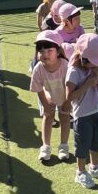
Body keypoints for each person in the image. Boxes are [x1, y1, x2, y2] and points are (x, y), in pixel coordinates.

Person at [65, 33, 98, 189]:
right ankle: (80, 172)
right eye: (95, 62)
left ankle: (94, 167)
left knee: (96, 143)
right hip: (82, 116)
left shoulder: (92, 68)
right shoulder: (73, 71)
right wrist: (87, 84)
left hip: (97, 111)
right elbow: (69, 96)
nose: (97, 65)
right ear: (84, 59)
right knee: (83, 146)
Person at [30, 30, 72, 162]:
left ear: (58, 51)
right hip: (47, 97)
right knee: (48, 117)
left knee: (65, 118)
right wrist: (45, 103)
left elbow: (70, 84)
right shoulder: (38, 68)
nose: (45, 54)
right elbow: (37, 88)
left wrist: (67, 102)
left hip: (64, 96)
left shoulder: (65, 65)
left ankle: (63, 146)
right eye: (41, 51)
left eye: (49, 50)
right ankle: (45, 147)